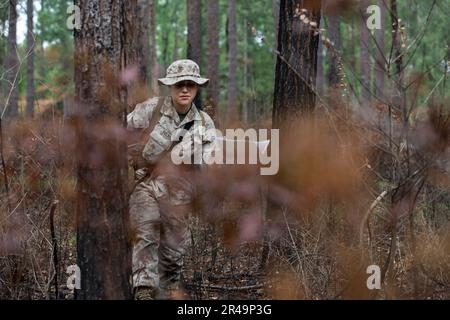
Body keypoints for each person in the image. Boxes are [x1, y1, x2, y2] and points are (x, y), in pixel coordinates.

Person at [127, 59, 216, 299]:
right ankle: (143, 291)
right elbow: (120, 137)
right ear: (170, 87)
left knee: (173, 254)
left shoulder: (205, 124)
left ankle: (167, 293)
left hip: (179, 193)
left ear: (197, 88)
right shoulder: (150, 110)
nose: (185, 89)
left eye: (190, 84)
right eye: (179, 85)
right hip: (144, 184)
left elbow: (210, 166)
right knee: (145, 235)